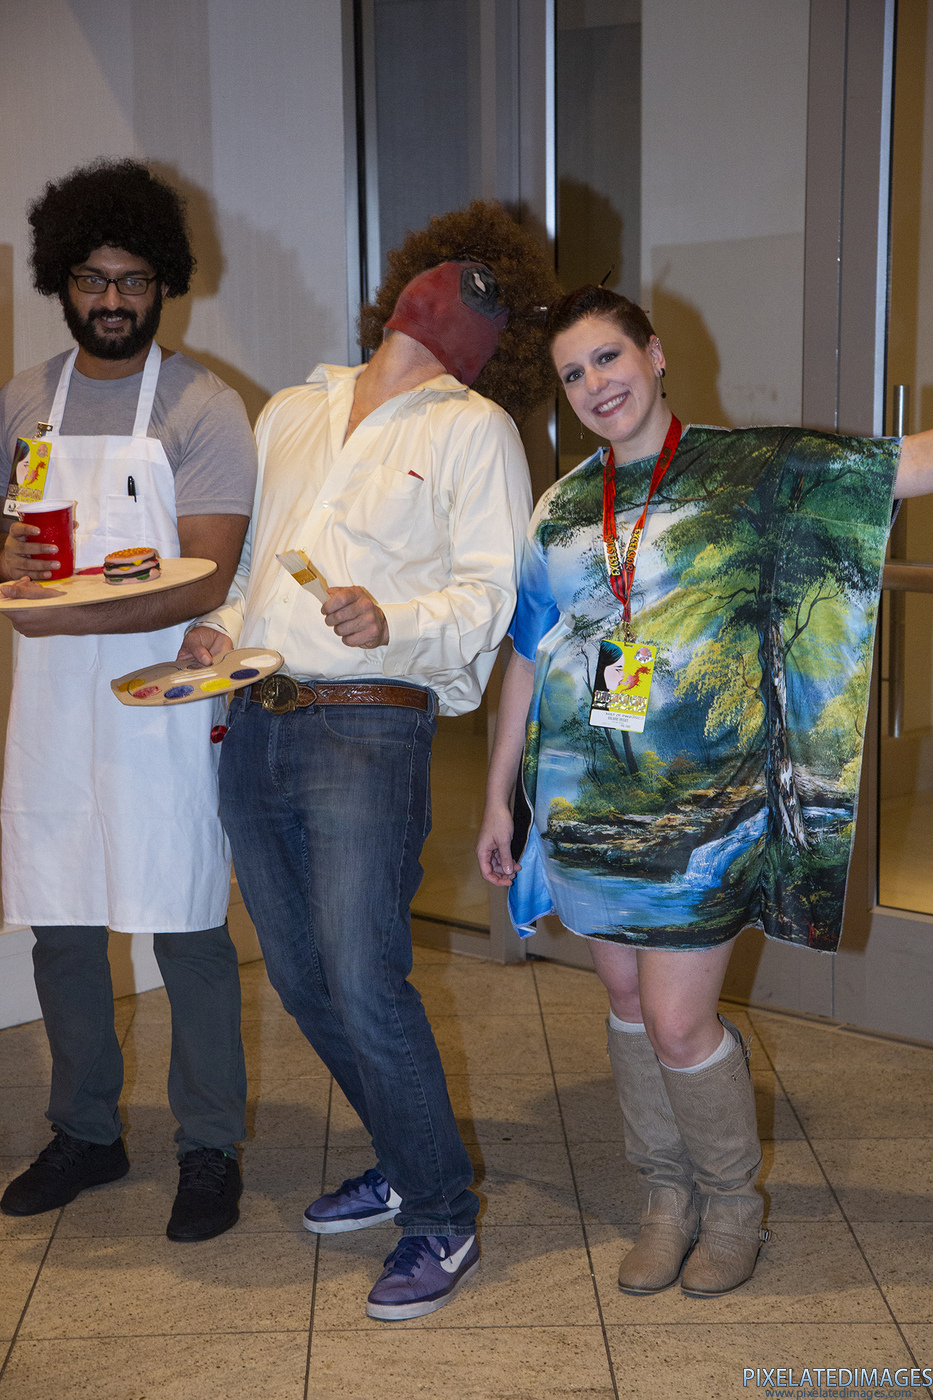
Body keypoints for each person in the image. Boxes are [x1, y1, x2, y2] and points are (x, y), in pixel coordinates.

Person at [477, 284, 933, 1299]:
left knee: (680, 1020)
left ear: (654, 352)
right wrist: (499, 796)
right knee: (625, 999)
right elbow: (528, 657)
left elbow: (903, 465)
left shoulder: (747, 468)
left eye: (608, 357)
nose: (594, 384)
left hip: (706, 809)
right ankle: (663, 1198)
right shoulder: (562, 507)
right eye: (572, 374)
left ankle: (732, 1207)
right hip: (583, 801)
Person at [179, 201, 561, 1319]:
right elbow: (254, 563)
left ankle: (440, 1212)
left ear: (496, 339)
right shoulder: (293, 408)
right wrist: (217, 629)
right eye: (449, 269)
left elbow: (490, 597)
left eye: (486, 287)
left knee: (361, 974)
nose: (459, 289)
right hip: (256, 713)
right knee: (300, 975)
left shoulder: (475, 430)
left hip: (369, 724)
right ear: (403, 282)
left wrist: (390, 616)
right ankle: (404, 1153)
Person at [0, 160, 257, 1242]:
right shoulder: (24, 400)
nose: (113, 300)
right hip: (54, 707)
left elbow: (204, 576)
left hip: (161, 698)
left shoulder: (205, 407)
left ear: (165, 284)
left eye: (135, 280)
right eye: (93, 279)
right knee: (61, 921)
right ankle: (86, 1131)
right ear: (62, 280)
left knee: (186, 922)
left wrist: (62, 617)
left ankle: (210, 1147)